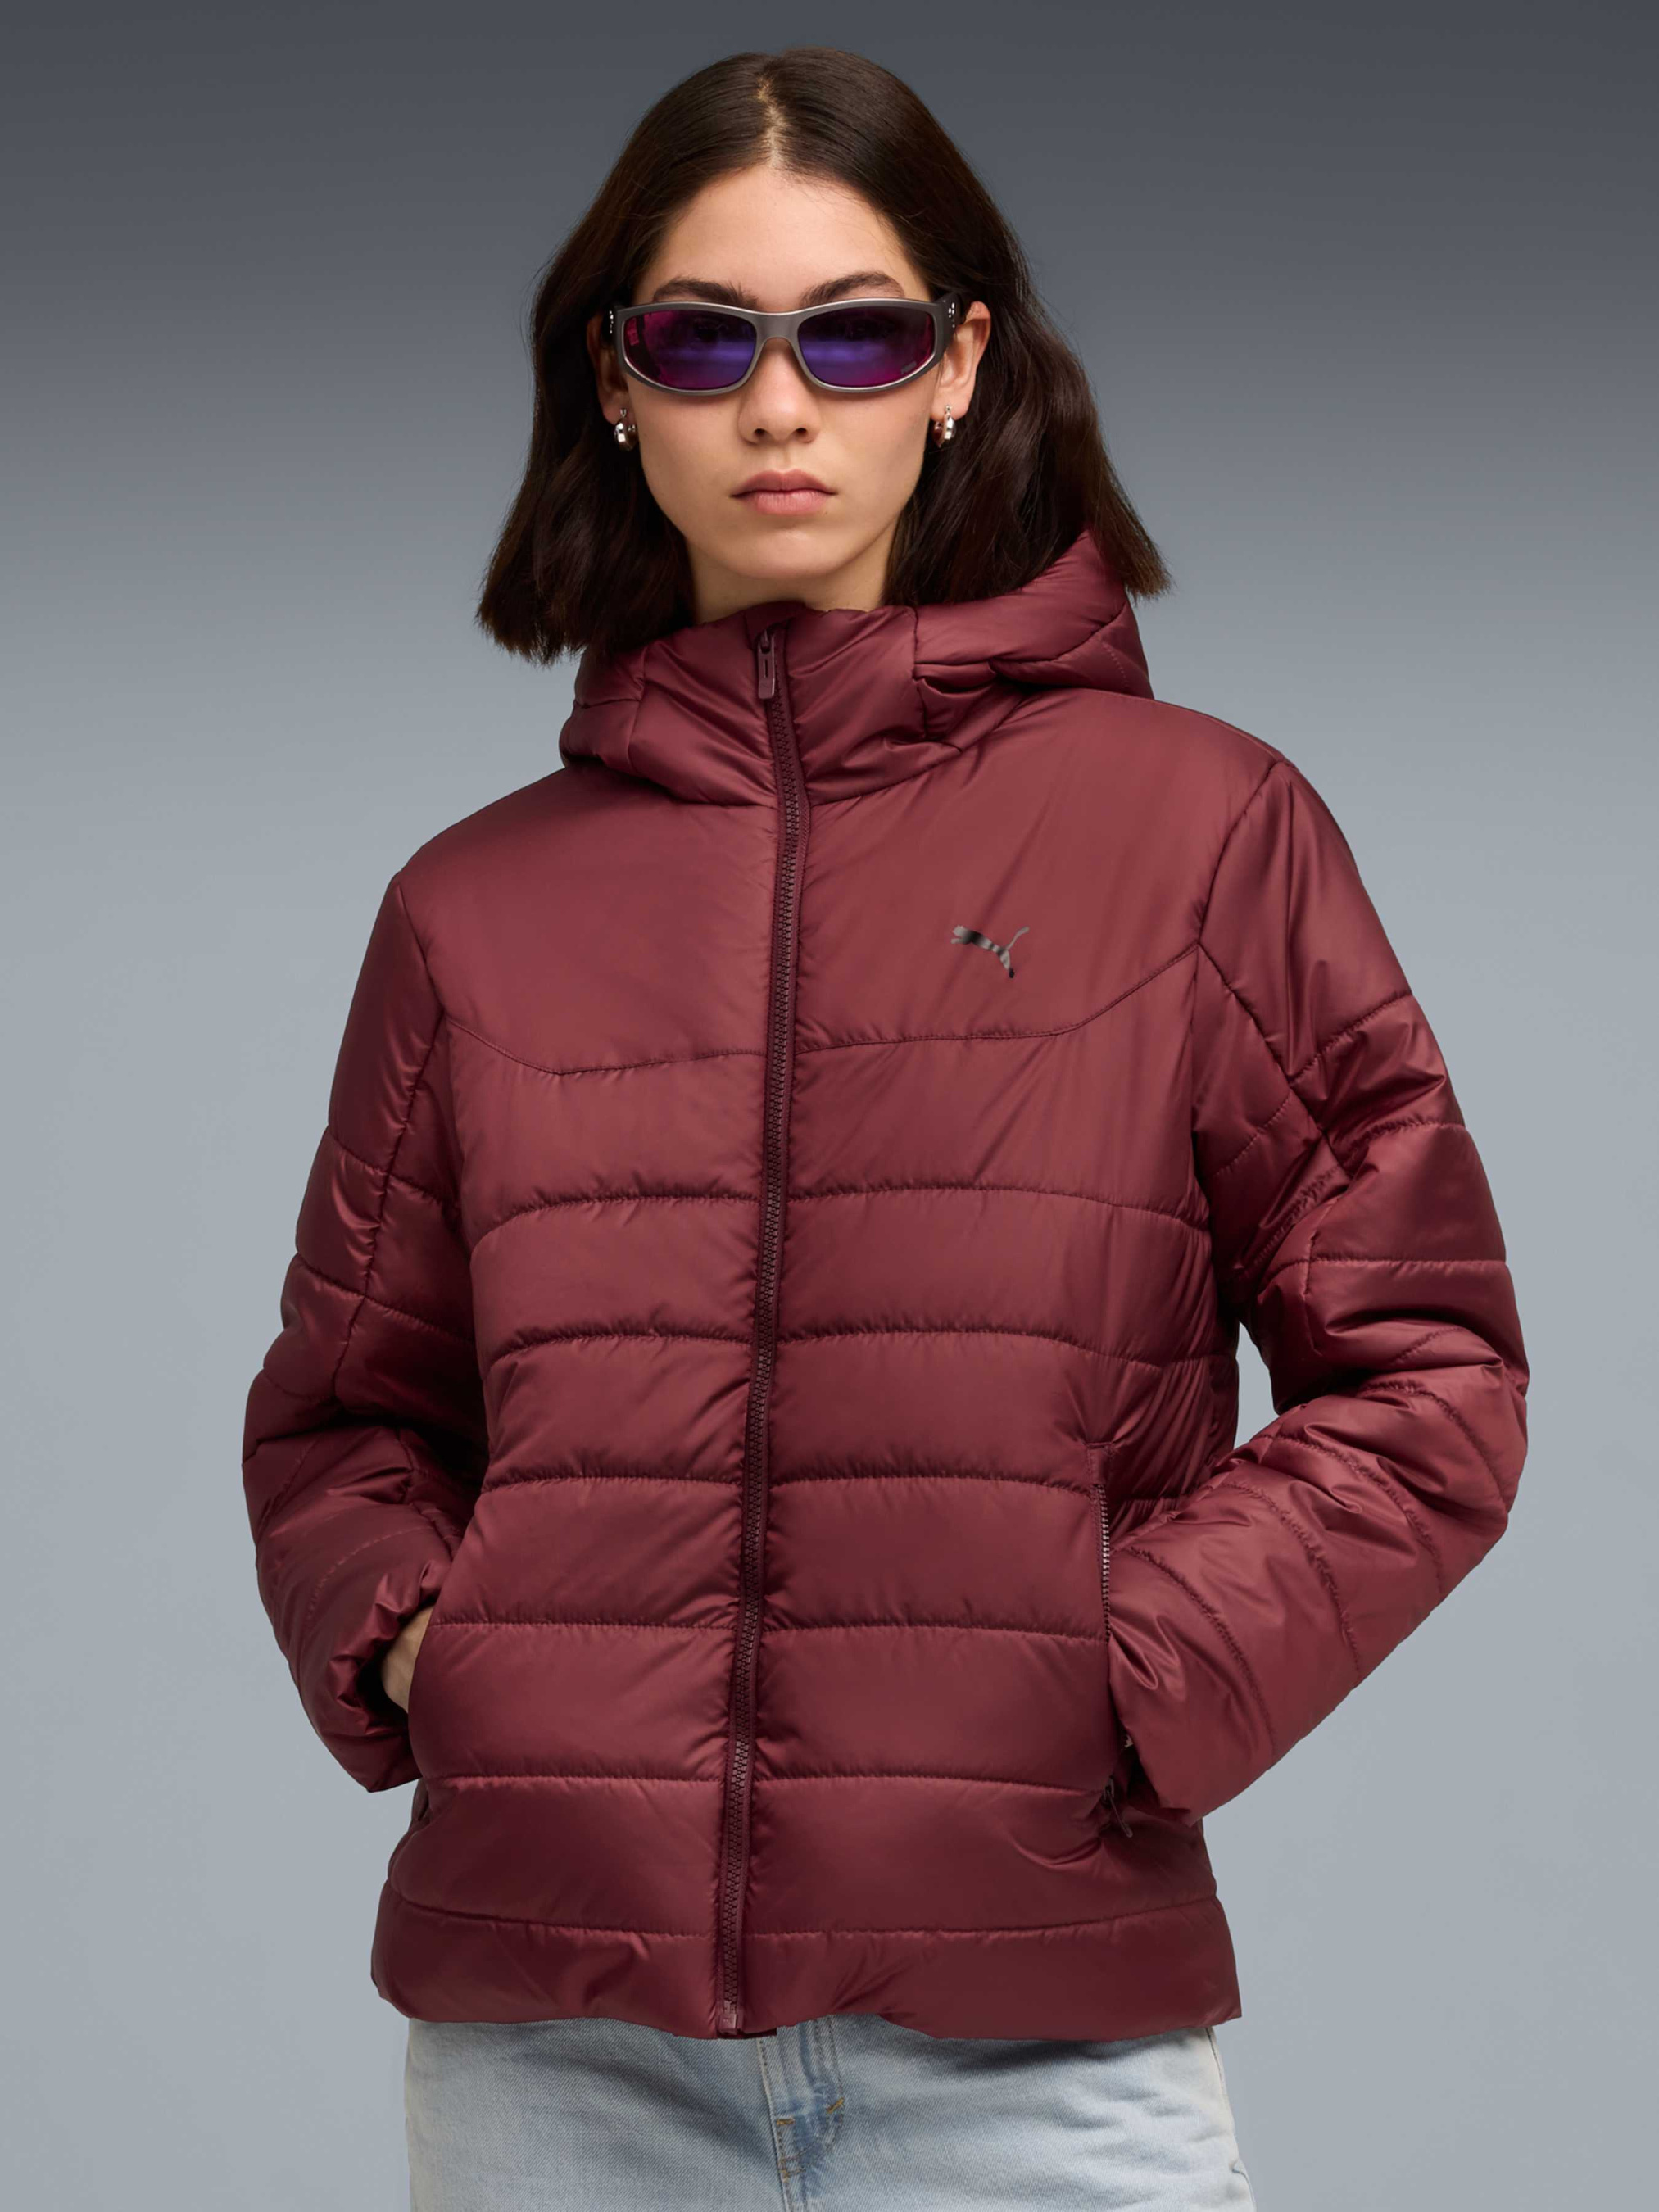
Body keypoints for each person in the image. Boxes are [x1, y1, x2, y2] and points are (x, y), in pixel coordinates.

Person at [240, 43, 1529, 2212]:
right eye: (701, 340)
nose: (777, 406)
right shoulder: (470, 909)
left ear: (959, 370)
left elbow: (1432, 1370)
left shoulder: (1200, 836)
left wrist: (1114, 1680)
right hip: (559, 2053)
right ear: (616, 384)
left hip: (1035, 2038)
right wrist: (443, 1658)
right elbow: (344, 1418)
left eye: (851, 336)